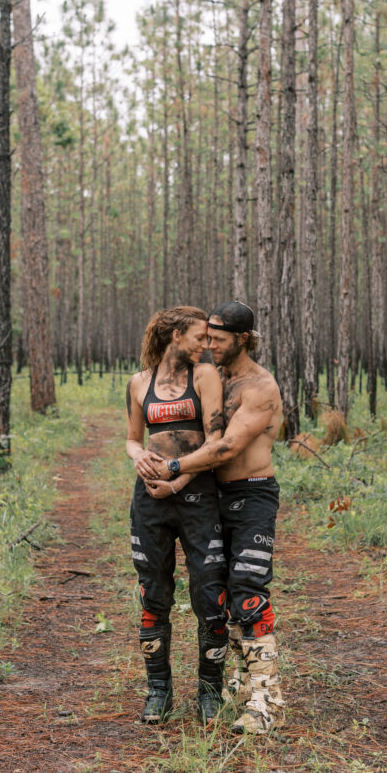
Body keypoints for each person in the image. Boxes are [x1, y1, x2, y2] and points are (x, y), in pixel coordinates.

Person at [146, 301, 286, 735]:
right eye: (206, 338)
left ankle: (267, 700)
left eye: (218, 340)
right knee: (217, 593)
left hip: (252, 495)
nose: (209, 346)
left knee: (247, 592)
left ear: (242, 339)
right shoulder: (211, 378)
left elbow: (225, 448)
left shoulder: (259, 386)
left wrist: (172, 469)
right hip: (210, 496)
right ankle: (240, 685)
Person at [126, 306, 228, 725]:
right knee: (153, 593)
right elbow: (133, 439)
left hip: (197, 495)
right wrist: (138, 458)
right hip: (150, 499)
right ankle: (158, 692)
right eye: (200, 336)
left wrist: (177, 479)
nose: (206, 344)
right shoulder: (139, 383)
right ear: (174, 335)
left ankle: (208, 693)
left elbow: (216, 439)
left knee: (209, 593)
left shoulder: (204, 377)